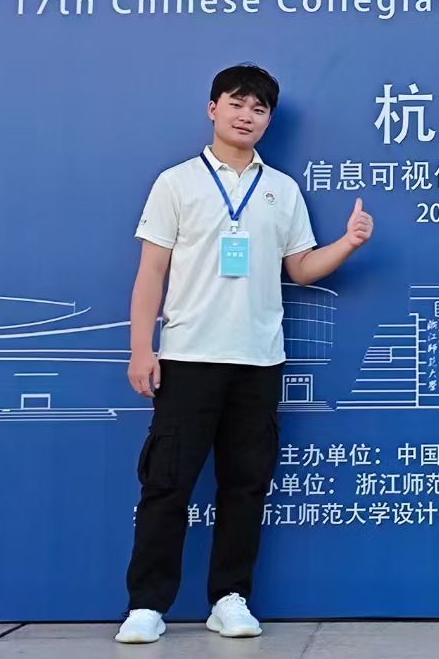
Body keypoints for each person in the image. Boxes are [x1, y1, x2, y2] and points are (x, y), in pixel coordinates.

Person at [115, 64, 373, 645]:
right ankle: (147, 605)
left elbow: (301, 269)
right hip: (187, 357)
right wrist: (141, 350)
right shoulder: (176, 183)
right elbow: (150, 273)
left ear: (269, 120)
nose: (246, 116)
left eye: (258, 109)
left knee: (246, 484)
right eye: (236, 104)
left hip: (258, 362)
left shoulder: (282, 189)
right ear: (213, 109)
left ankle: (229, 598)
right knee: (167, 484)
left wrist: (348, 243)